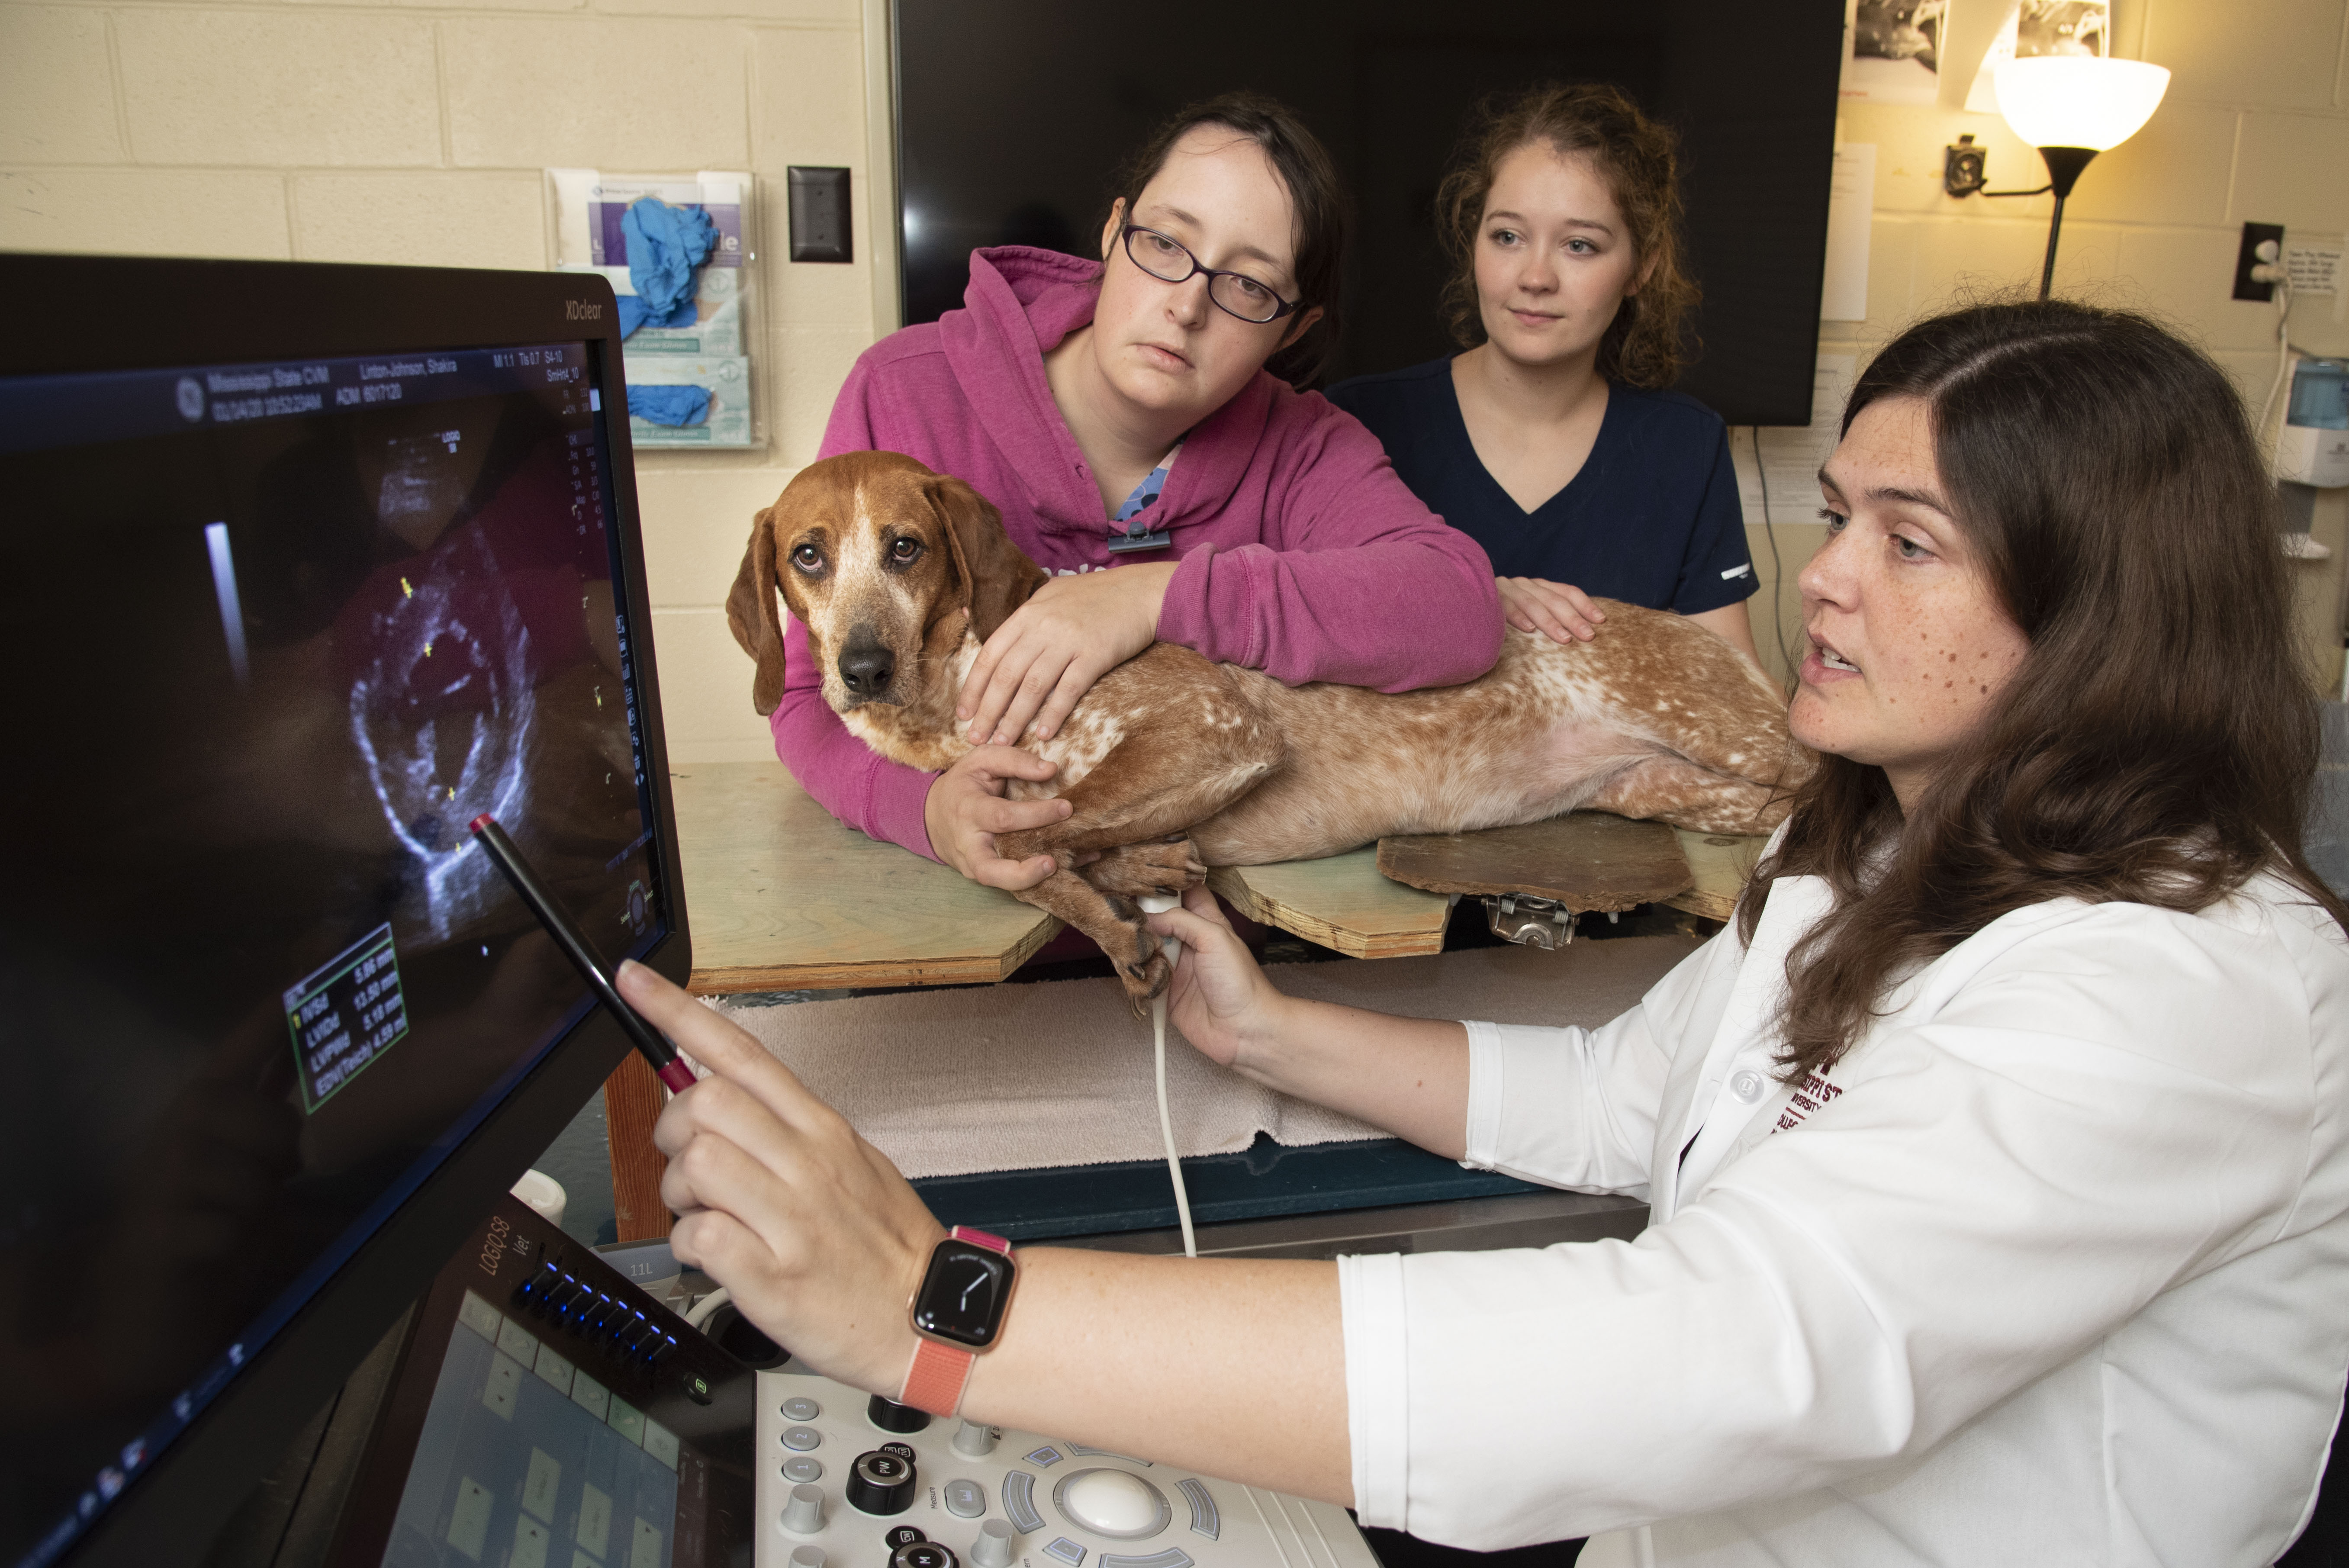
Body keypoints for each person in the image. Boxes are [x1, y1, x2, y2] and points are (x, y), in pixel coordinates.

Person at [625, 299, 2349, 1563]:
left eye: (1911, 541)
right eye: (1837, 518)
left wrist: (938, 1309)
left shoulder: (2183, 986)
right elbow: (1627, 1100)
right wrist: (1268, 1031)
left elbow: (1702, 1358)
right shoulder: (1873, 862)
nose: (1822, 580)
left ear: (2099, 612)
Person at [775, 92, 1503, 892]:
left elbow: (1458, 607)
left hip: (1226, 932)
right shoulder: (904, 395)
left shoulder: (1306, 445)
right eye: (1163, 243)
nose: (1186, 306)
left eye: (1250, 287)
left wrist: (1160, 597)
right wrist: (925, 813)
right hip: (962, 927)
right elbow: (810, 697)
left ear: (1292, 330)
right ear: (1113, 232)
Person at [1329, 84, 1763, 667]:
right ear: (1472, 241)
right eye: (1507, 236)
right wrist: (1466, 599)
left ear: (1641, 267)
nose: (1536, 277)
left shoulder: (1687, 446)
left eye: (1580, 246)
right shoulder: (1353, 423)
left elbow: (1728, 696)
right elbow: (1290, 628)